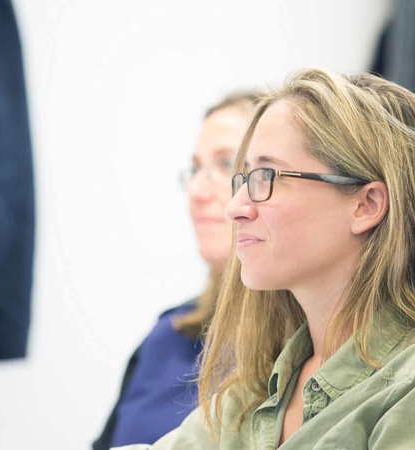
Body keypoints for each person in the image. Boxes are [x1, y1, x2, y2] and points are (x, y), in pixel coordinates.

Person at [111, 67, 415, 449]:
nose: (234, 208)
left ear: (365, 205)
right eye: (244, 178)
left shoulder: (404, 391)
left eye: (266, 177)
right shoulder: (251, 393)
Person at [93, 90, 263, 449]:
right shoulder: (167, 336)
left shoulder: (307, 357)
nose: (198, 191)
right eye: (197, 168)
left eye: (227, 164)